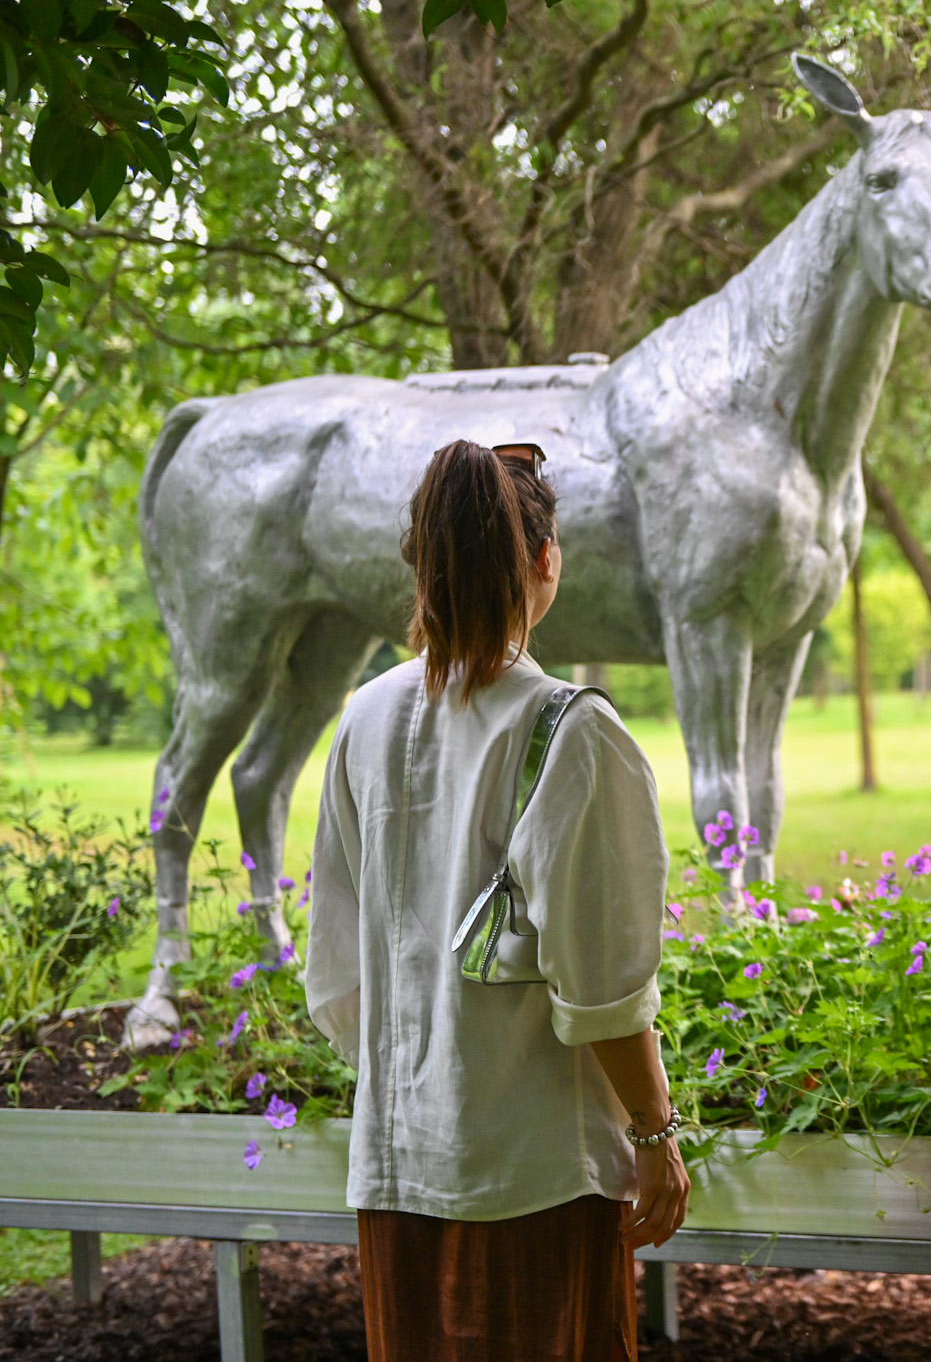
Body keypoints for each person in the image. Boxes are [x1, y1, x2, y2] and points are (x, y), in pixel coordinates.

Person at [307, 439, 689, 1362]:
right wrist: (656, 1133)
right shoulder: (570, 728)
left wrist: (426, 1076)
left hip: (397, 1178)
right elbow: (601, 986)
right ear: (545, 559)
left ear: (418, 565)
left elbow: (336, 977)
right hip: (540, 1180)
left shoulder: (364, 719)